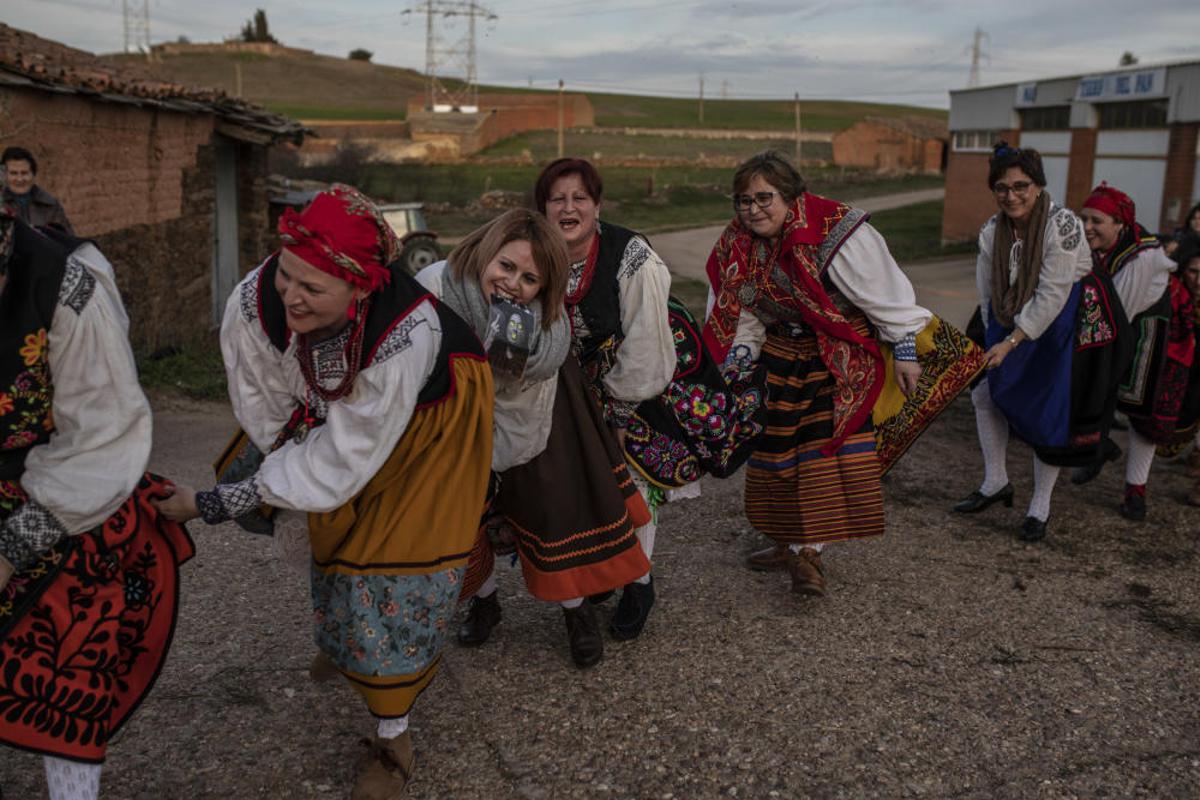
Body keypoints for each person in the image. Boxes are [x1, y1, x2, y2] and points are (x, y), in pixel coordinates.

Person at [154, 185, 493, 799]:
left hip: (426, 423)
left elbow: (344, 458)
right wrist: (285, 456)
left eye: (313, 289)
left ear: (361, 287)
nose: (291, 297)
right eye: (287, 275)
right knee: (324, 532)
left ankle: (394, 737)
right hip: (331, 426)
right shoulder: (253, 304)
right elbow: (262, 404)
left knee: (389, 570)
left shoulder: (403, 336)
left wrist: (214, 503)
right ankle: (342, 644)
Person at [703, 150, 982, 595]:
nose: (752, 210)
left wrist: (906, 348)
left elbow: (886, 297)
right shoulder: (738, 243)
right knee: (772, 449)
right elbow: (744, 304)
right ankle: (784, 540)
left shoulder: (839, 233)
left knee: (821, 453)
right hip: (779, 352)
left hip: (837, 352)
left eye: (763, 198)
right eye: (742, 201)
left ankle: (809, 552)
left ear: (791, 197)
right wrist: (739, 358)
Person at [0, 208, 193, 799]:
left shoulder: (70, 283)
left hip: (62, 488)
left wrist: (9, 551)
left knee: (65, 660)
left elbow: (104, 437)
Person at [417, 209, 649, 668]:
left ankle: (576, 612)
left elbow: (509, 385)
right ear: (487, 252)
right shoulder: (436, 287)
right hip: (450, 413)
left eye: (529, 279)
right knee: (463, 517)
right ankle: (485, 600)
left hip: (535, 413)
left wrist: (503, 356)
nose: (511, 284)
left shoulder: (542, 327)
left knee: (551, 511)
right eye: (506, 266)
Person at [954, 144, 1130, 541]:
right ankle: (995, 481)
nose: (1011, 195)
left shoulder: (1062, 224)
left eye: (1021, 186)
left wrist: (1013, 341)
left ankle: (1040, 507)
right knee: (985, 391)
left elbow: (1053, 293)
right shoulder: (990, 232)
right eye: (1002, 187)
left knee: (1047, 408)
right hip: (1010, 310)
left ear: (1037, 185)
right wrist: (993, 335)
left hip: (1069, 316)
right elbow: (987, 293)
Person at [532, 157, 675, 639]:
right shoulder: (534, 253)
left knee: (631, 489)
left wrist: (619, 410)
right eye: (557, 199)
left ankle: (640, 581)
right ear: (543, 208)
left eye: (579, 198)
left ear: (597, 206)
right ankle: (600, 574)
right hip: (566, 399)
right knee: (579, 489)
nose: (568, 207)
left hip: (633, 390)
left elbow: (647, 338)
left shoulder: (630, 255)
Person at [1076, 183, 1184, 519]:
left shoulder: (1144, 259)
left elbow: (1115, 312)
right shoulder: (1099, 248)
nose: (1088, 227)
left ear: (1120, 225)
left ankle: (1135, 490)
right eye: (1085, 219)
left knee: (1142, 415)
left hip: (1148, 338)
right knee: (1095, 391)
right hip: (1119, 331)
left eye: (1097, 221)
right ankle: (1095, 448)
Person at [2, 146, 74, 235]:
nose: (19, 179)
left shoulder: (50, 206)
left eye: (24, 173)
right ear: (3, 175)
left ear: (33, 174)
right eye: (13, 173)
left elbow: (68, 240)